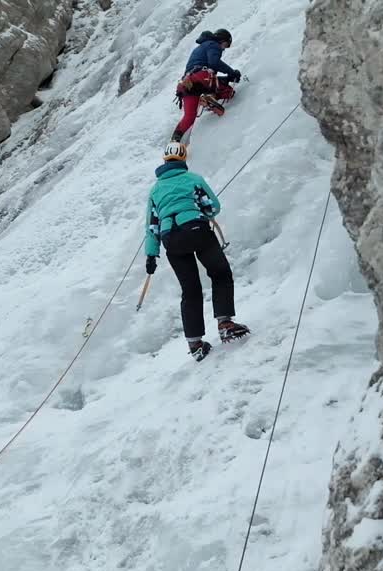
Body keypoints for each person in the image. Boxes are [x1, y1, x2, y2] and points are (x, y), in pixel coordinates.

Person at [144, 141, 250, 361]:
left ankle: (195, 344)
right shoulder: (193, 179)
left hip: (170, 239)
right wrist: (201, 211)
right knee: (220, 273)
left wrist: (151, 255)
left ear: (164, 161)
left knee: (189, 289)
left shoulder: (154, 190)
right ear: (183, 159)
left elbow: (152, 225)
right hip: (196, 230)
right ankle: (225, 323)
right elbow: (212, 206)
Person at [171, 29, 242, 142]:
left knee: (189, 117)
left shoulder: (201, 47)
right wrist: (232, 73)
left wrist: (227, 78)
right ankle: (209, 96)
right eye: (225, 45)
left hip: (187, 84)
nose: (224, 48)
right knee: (228, 92)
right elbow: (214, 63)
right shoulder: (213, 45)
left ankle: (175, 141)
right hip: (202, 78)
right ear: (221, 40)